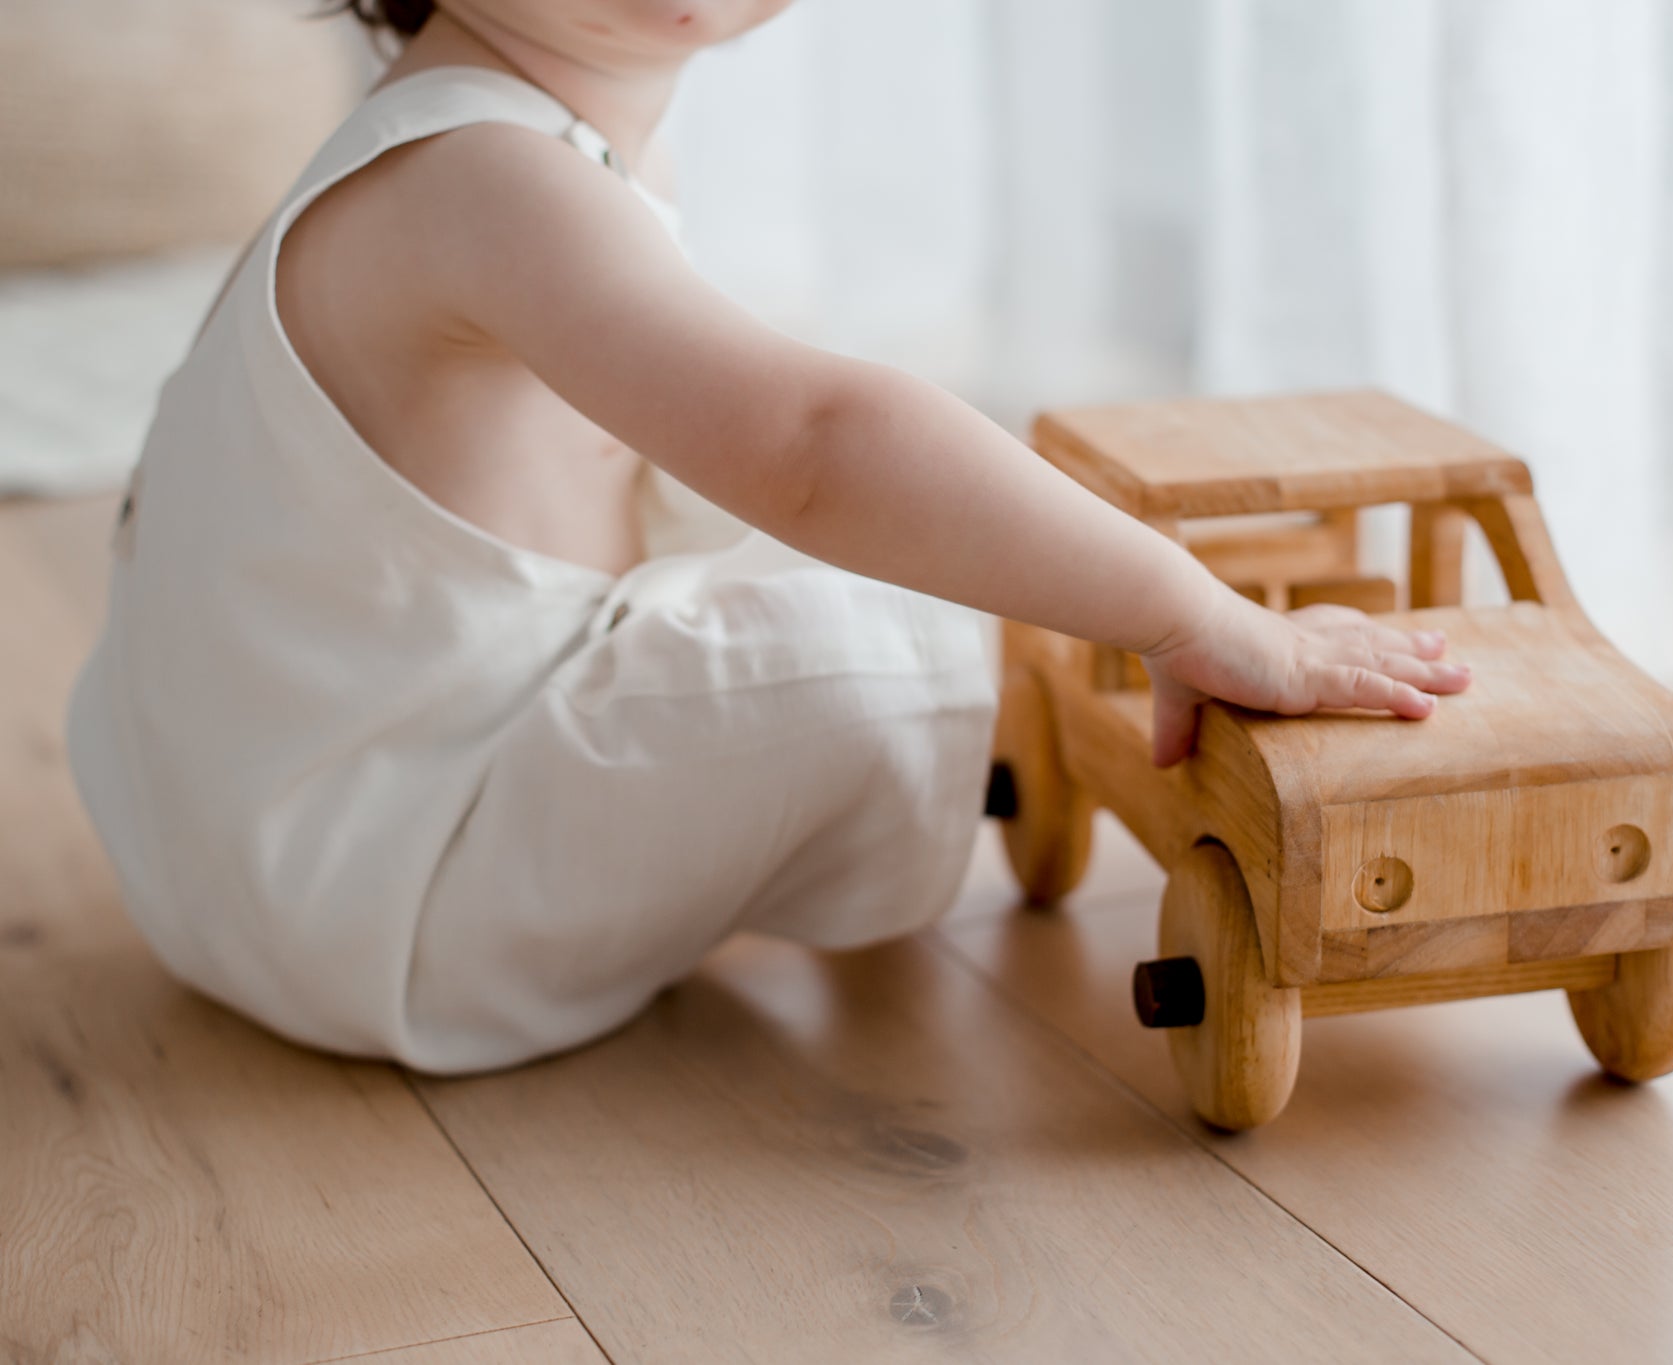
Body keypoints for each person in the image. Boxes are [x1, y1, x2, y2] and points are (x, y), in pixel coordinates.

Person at [65, 0, 1471, 1073]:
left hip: (260, 847)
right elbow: (813, 448)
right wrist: (1190, 612)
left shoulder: (478, 122)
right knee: (861, 640)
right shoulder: (490, 182)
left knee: (854, 528)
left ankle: (969, 730)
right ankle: (996, 742)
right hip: (390, 913)